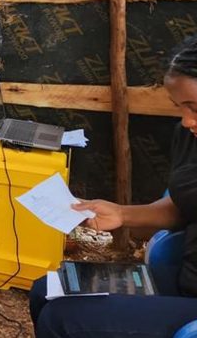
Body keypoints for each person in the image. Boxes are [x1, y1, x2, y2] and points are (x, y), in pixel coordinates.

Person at [29, 34, 197, 337]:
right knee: (46, 290)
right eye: (179, 107)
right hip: (185, 280)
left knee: (63, 319)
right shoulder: (189, 136)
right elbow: (181, 207)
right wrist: (121, 214)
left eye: (194, 108)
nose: (186, 121)